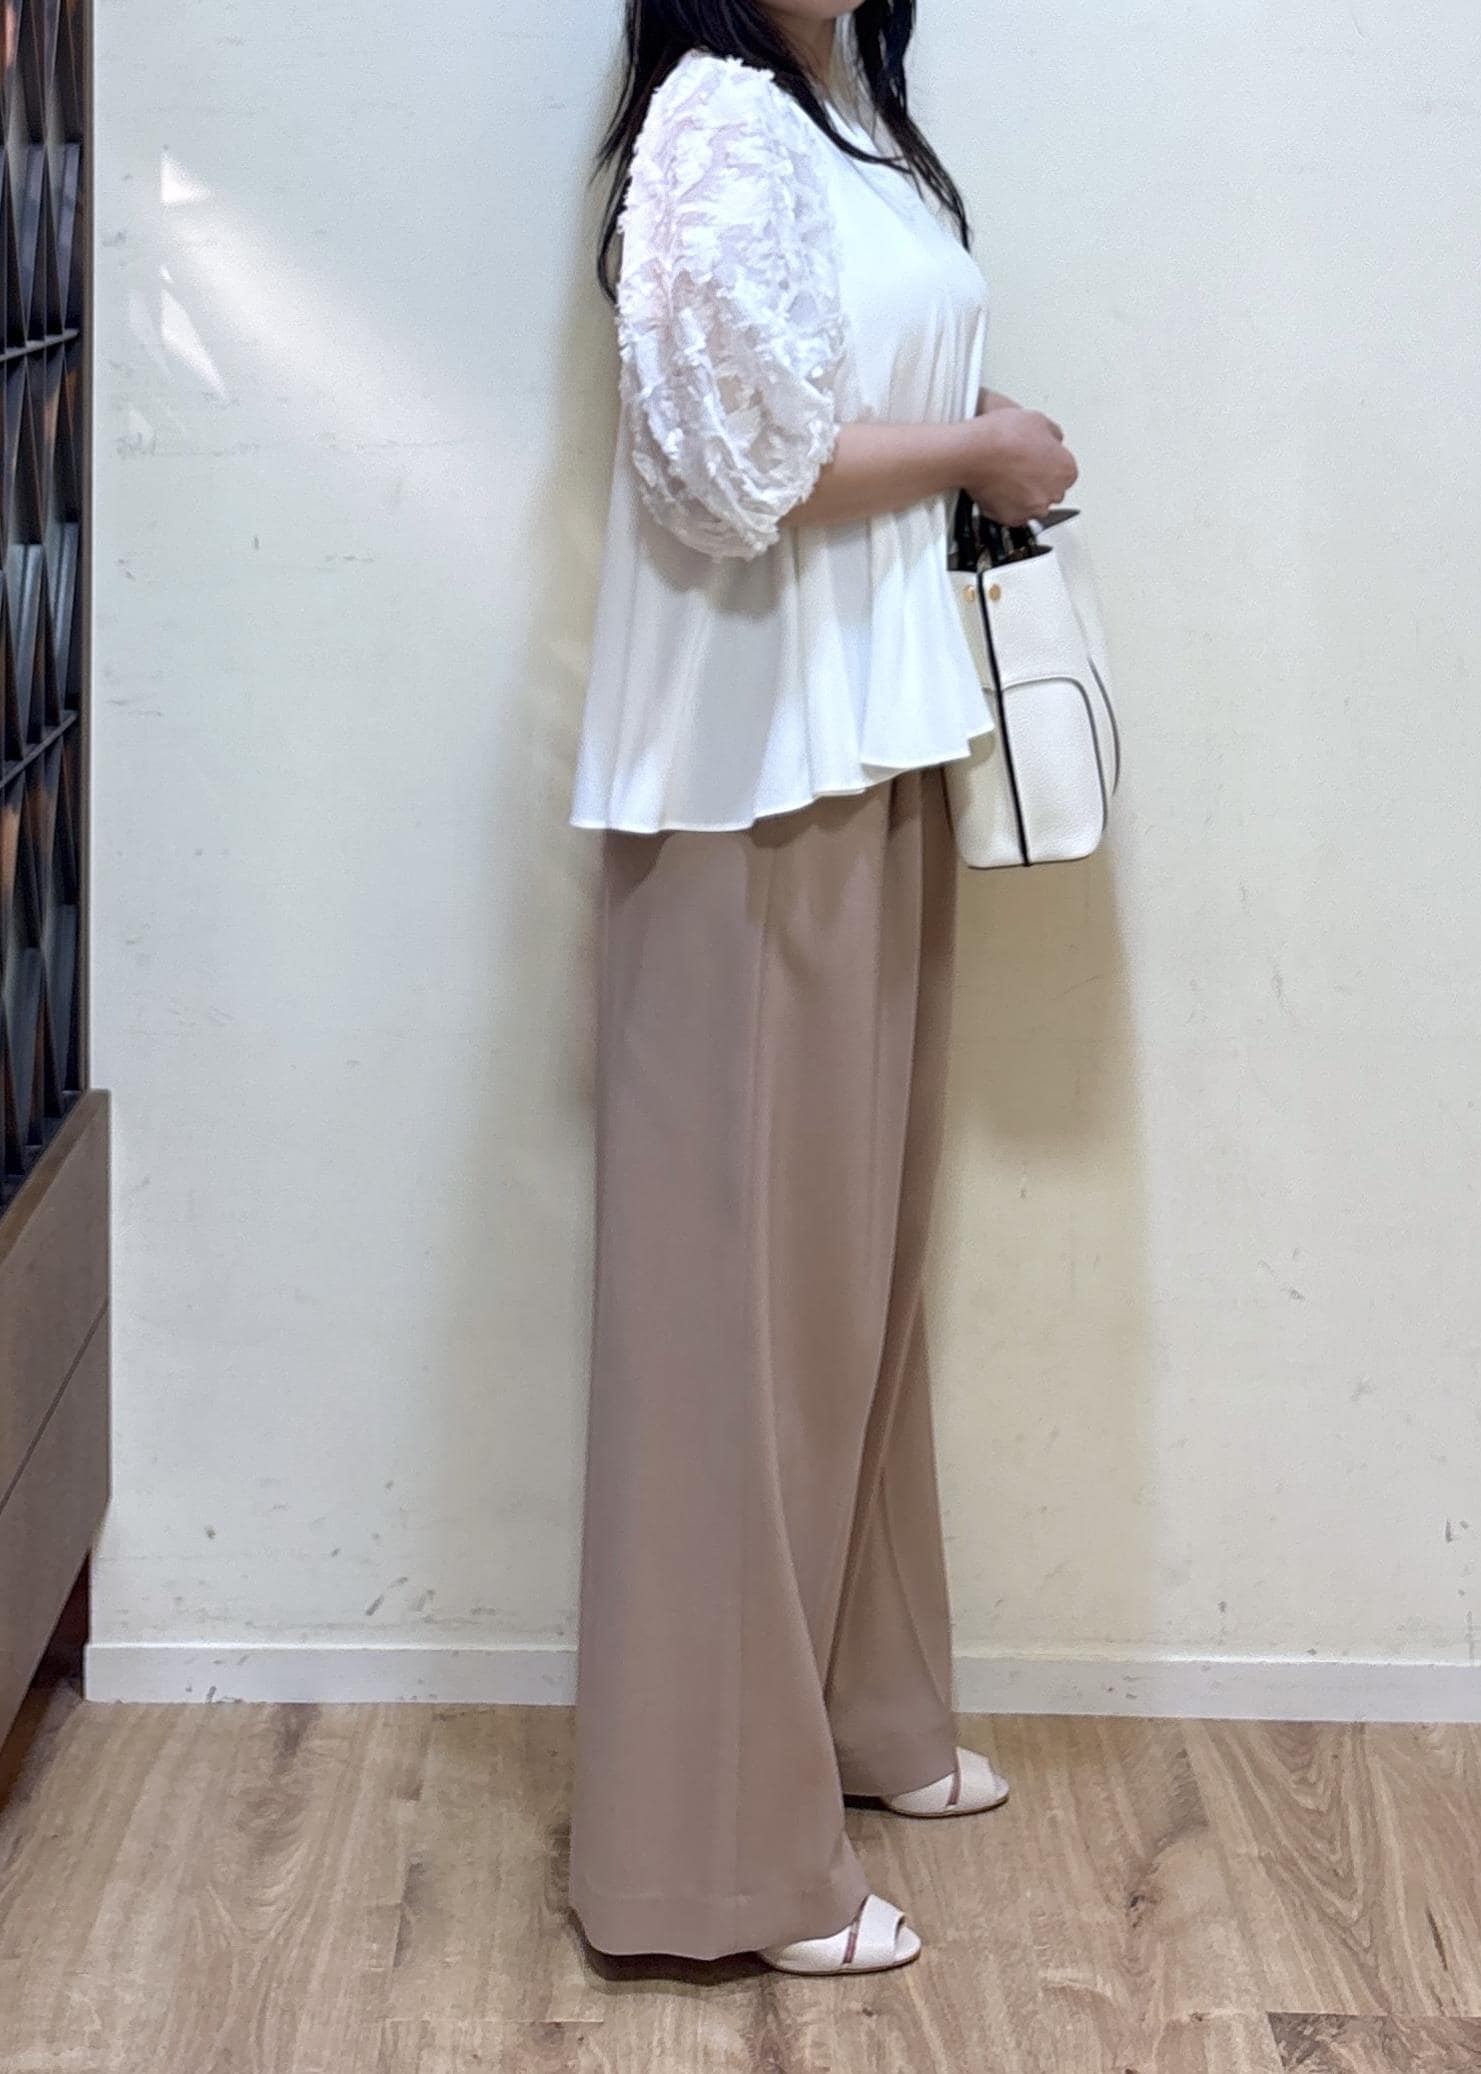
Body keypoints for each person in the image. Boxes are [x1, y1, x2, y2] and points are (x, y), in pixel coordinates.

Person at [565, 0, 1078, 1975]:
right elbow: (735, 468)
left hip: (866, 741)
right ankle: (714, 1853)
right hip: (751, 777)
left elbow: (817, 384)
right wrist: (984, 447)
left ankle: (858, 1713)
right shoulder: (716, 115)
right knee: (736, 1315)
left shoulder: (841, 117)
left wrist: (966, 421)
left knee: (848, 1278)